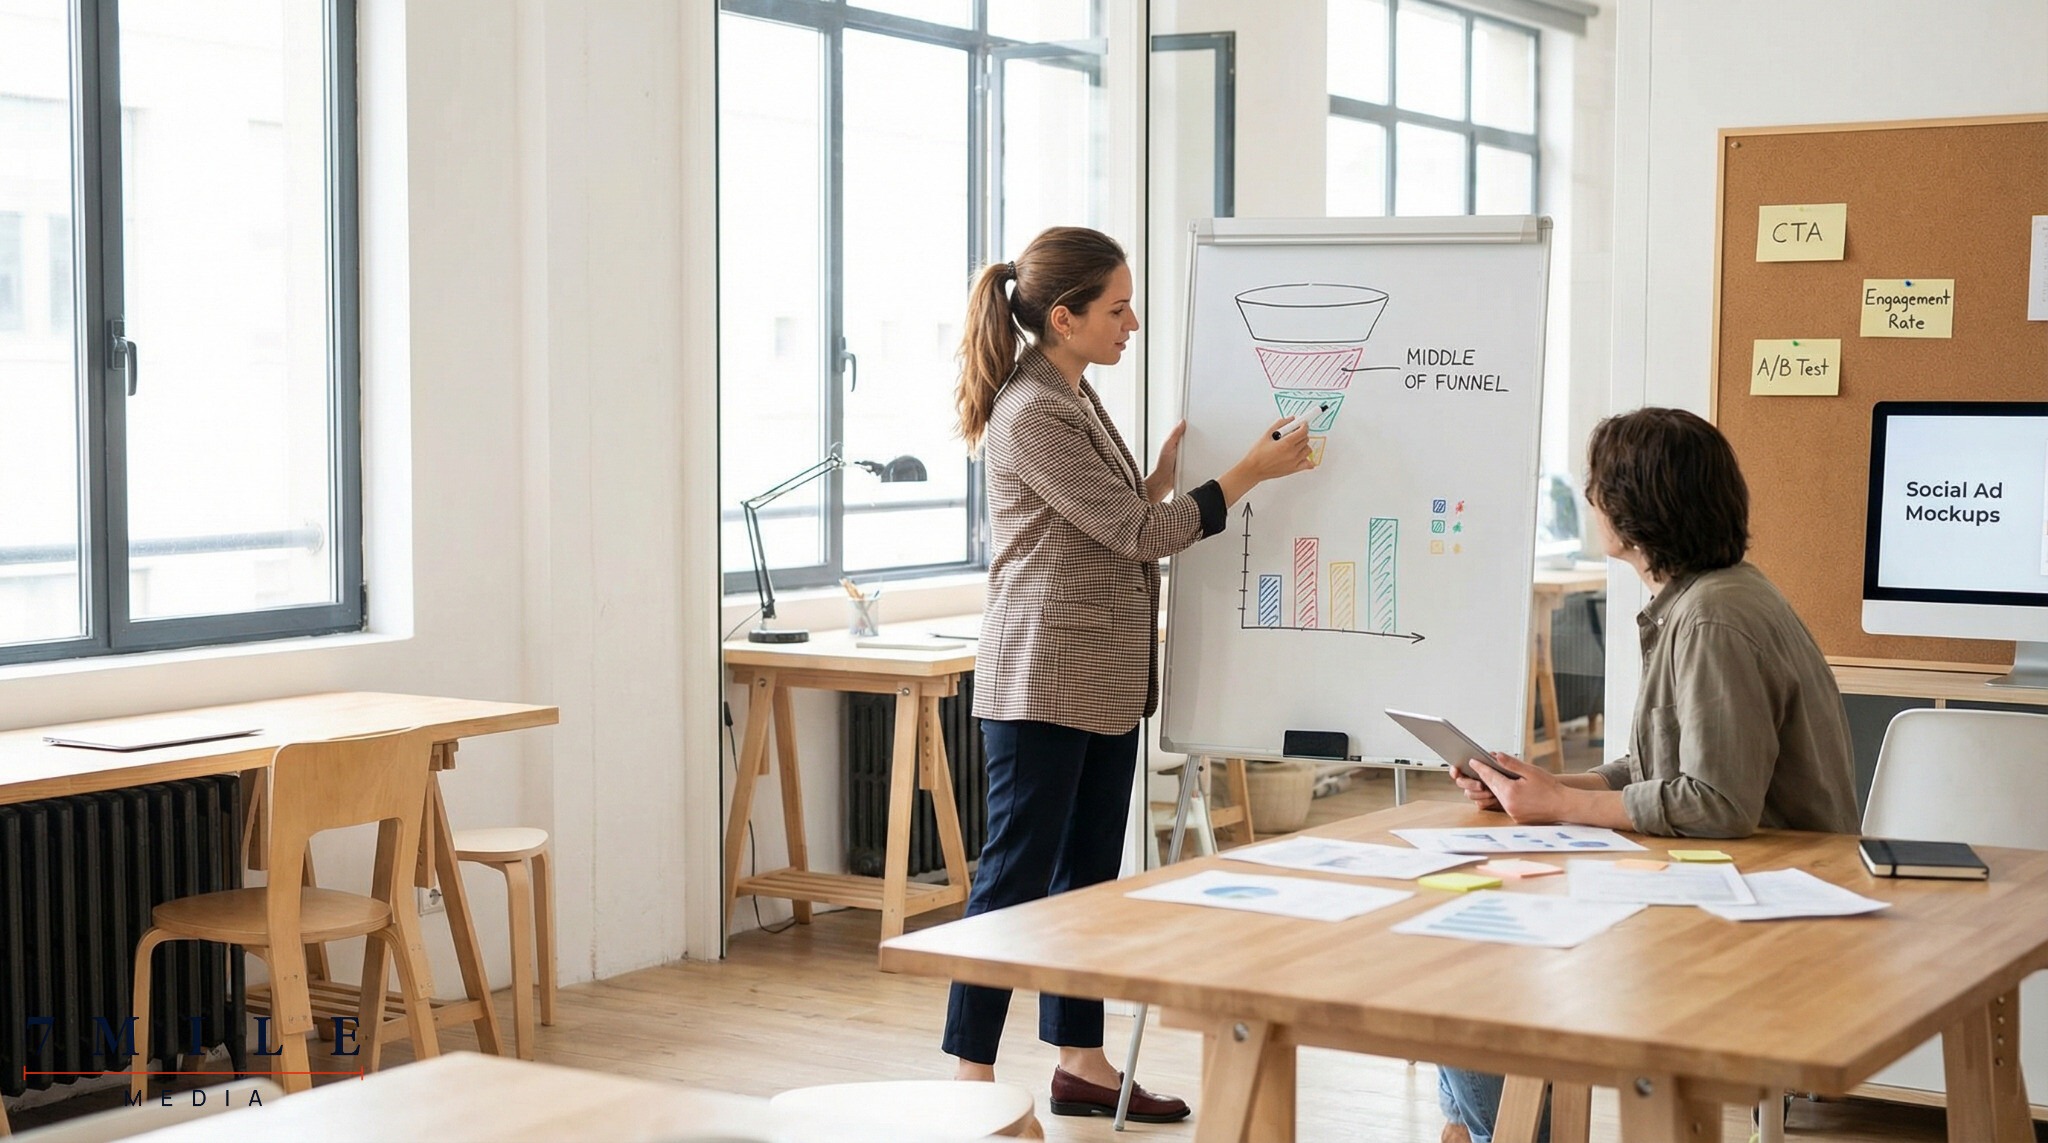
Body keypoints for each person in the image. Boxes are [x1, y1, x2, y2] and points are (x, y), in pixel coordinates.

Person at [944, 225, 1314, 1122]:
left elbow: (1107, 518)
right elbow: (1140, 537)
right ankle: (966, 1078)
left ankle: (1082, 1060)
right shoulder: (1033, 410)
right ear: (1064, 318)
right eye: (1117, 307)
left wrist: (1153, 480)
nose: (1134, 321)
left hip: (1098, 679)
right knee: (1012, 880)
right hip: (1043, 679)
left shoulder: (1072, 392)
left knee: (1087, 880)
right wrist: (1246, 475)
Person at [1437, 406, 1859, 1143]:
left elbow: (1718, 801)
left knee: (1478, 957)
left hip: (1755, 906)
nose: (1591, 499)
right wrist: (1541, 786)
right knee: (1480, 939)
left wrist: (1562, 806)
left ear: (1634, 511)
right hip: (1723, 877)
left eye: (1599, 486)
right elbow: (1659, 765)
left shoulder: (1711, 620)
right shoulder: (1709, 599)